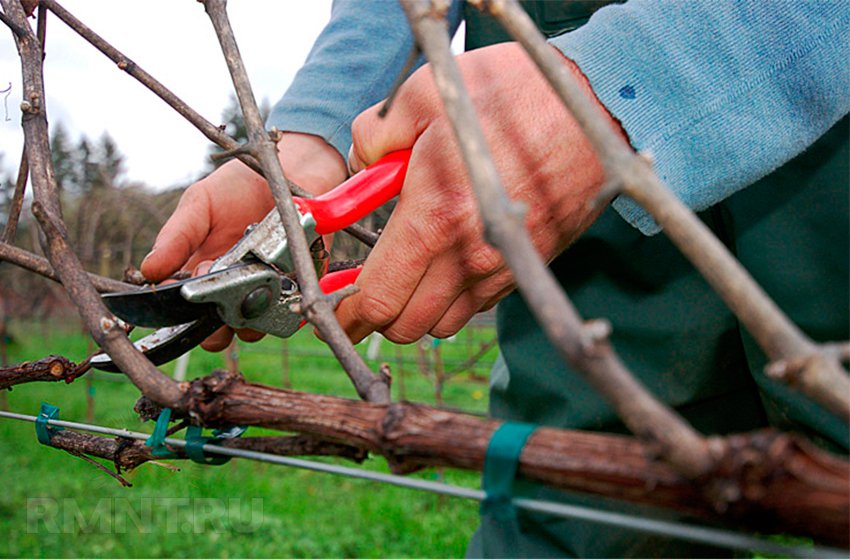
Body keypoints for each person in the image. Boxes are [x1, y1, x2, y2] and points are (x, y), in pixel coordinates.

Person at [141, 1, 849, 556]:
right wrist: (314, 128)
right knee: (564, 520)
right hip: (557, 202)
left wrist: (628, 82)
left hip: (827, 130)